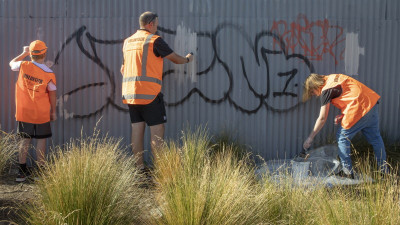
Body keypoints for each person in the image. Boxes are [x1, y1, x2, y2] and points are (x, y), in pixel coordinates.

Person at [120, 11, 194, 171]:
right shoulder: (154, 40)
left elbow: (123, 69)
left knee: (137, 131)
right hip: (150, 95)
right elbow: (174, 57)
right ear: (150, 24)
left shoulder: (128, 42)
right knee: (157, 133)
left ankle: (139, 169)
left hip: (131, 96)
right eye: (156, 24)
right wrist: (188, 59)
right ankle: (161, 171)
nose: (157, 28)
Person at [302, 73, 387, 178]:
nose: (314, 94)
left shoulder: (326, 90)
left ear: (315, 86)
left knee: (342, 138)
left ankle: (347, 172)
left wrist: (310, 137)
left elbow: (322, 118)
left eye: (312, 92)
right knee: (375, 138)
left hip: (358, 108)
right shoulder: (334, 77)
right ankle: (384, 171)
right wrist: (344, 114)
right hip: (371, 104)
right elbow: (351, 94)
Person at [9, 40, 57, 182]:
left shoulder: (23, 65)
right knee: (41, 140)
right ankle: (39, 173)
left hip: (24, 112)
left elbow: (11, 63)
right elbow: (52, 94)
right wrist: (53, 111)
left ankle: (21, 173)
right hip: (41, 112)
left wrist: (23, 53)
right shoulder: (49, 73)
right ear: (44, 53)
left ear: (31, 54)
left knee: (25, 140)